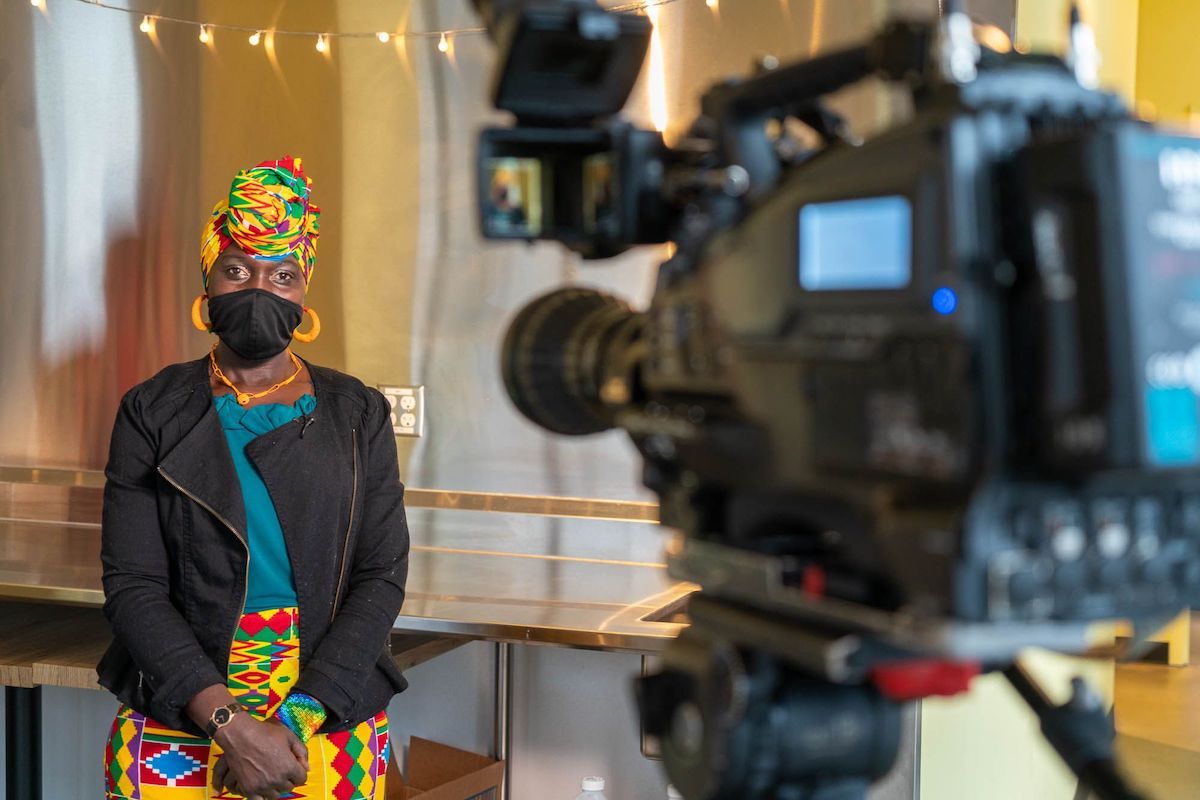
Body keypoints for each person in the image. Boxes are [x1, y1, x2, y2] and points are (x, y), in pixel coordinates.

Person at [98, 156, 409, 800]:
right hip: (181, 701)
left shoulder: (357, 413)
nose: (259, 288)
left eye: (283, 274)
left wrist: (297, 717)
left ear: (303, 293)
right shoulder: (152, 410)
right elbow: (134, 585)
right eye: (237, 269)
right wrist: (229, 725)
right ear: (207, 283)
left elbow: (381, 574)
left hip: (324, 711)